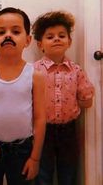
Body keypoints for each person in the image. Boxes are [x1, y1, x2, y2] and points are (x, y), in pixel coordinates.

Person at [0, 7, 46, 185]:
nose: (8, 35)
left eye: (16, 31)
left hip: (23, 150)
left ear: (27, 40)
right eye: (1, 32)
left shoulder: (36, 76)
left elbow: (41, 118)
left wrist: (35, 158)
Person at [32, 11, 95, 185]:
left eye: (61, 35)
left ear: (69, 42)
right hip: (42, 129)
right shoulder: (34, 70)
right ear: (40, 44)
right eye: (50, 37)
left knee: (68, 171)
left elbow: (86, 97)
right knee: (43, 172)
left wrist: (84, 100)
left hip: (69, 130)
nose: (57, 39)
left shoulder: (75, 70)